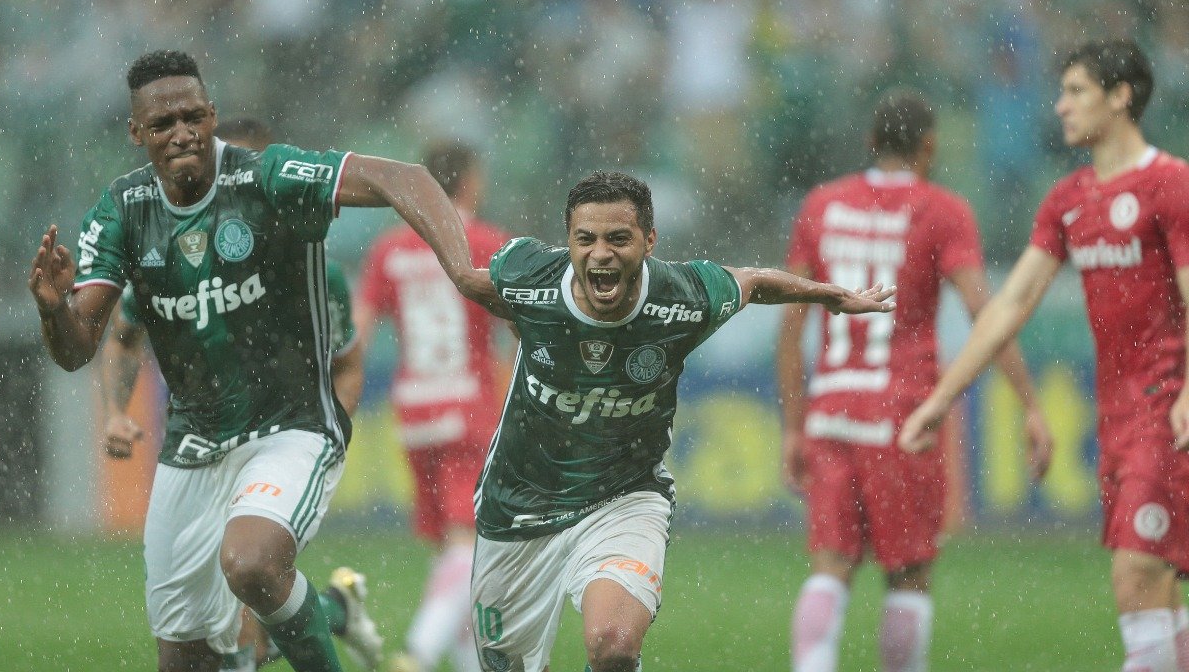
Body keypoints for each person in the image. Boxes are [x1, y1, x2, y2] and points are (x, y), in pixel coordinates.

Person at [29, 49, 492, 672]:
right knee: (189, 659)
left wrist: (460, 267)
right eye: (163, 124)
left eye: (193, 116)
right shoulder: (123, 210)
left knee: (251, 564)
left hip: (290, 427)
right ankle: (333, 612)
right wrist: (55, 310)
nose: (182, 132)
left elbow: (402, 176)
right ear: (136, 134)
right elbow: (79, 347)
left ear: (212, 116)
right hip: (193, 445)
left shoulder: (269, 178)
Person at [451, 170, 895, 672]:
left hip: (623, 498)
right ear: (568, 242)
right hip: (518, 506)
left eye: (619, 238)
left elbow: (753, 282)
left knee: (613, 645)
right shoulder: (529, 276)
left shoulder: (682, 296)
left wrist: (828, 296)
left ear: (649, 241)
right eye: (586, 239)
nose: (601, 253)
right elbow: (473, 278)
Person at [899, 39, 1189, 672]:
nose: (1060, 106)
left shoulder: (1171, 184)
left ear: (1122, 97)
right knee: (1160, 586)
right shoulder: (1069, 200)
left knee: (1138, 573)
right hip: (1116, 419)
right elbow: (1010, 304)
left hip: (1167, 411)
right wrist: (942, 399)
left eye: (1077, 91)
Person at [776, 91, 1054, 672]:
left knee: (831, 564)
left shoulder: (822, 205)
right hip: (904, 417)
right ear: (929, 145)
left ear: (870, 142)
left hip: (831, 408)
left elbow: (789, 325)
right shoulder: (943, 211)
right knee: (908, 574)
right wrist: (1029, 403)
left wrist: (793, 426)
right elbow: (986, 313)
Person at [97, 116, 374, 671]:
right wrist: (114, 411)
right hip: (201, 450)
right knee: (222, 619)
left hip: (280, 444)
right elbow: (124, 338)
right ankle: (338, 611)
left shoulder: (318, 273)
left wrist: (328, 437)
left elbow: (346, 364)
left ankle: (296, 634)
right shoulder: (170, 258)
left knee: (249, 583)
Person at [354, 142, 510, 672]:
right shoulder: (487, 242)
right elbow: (522, 326)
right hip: (469, 407)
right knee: (472, 549)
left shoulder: (390, 249)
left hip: (413, 410)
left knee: (453, 550)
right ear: (470, 183)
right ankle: (418, 653)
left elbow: (358, 328)